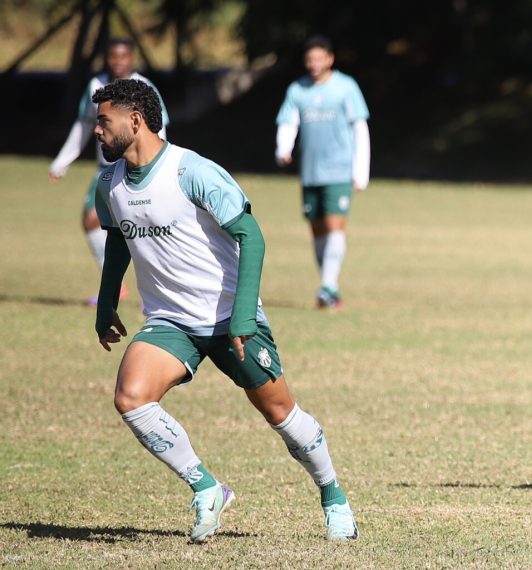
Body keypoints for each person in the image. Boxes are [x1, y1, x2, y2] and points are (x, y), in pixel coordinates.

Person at [91, 79, 358, 542]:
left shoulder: (191, 171)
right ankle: (207, 488)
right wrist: (107, 302)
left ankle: (333, 495)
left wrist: (242, 316)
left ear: (134, 121)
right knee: (131, 398)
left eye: (103, 121)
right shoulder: (108, 185)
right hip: (169, 322)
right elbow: (118, 242)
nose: (97, 131)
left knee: (281, 415)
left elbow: (251, 236)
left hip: (230, 318)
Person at [49, 37, 169, 305]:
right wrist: (62, 161)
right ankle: (113, 286)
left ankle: (158, 292)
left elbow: (159, 127)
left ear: (132, 57)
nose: (118, 62)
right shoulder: (96, 86)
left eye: (123, 56)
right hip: (106, 169)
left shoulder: (143, 87)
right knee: (91, 220)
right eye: (113, 57)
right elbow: (84, 126)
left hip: (139, 168)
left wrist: (157, 163)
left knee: (149, 226)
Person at [275, 35, 371, 309]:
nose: (314, 64)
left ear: (330, 59)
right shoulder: (298, 90)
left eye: (319, 59)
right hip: (310, 172)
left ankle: (328, 286)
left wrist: (360, 169)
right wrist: (283, 148)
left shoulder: (346, 87)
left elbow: (359, 128)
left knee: (334, 225)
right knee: (317, 230)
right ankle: (330, 286)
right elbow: (288, 122)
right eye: (310, 59)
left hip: (339, 169)